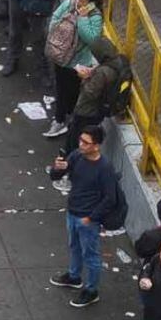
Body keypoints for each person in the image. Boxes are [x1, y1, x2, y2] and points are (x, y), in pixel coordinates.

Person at [46, 124, 119, 307]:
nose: (81, 144)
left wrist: (92, 217)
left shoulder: (105, 168)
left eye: (86, 142)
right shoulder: (77, 156)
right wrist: (58, 168)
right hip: (73, 211)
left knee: (91, 255)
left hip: (87, 218)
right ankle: (74, 276)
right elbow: (56, 176)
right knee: (74, 246)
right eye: (81, 140)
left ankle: (91, 290)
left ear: (96, 145)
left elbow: (110, 198)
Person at [44, 0, 106, 138]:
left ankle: (69, 119)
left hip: (77, 61)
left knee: (72, 92)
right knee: (61, 89)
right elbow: (55, 18)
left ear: (92, 3)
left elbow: (91, 39)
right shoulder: (70, 4)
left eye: (83, 1)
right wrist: (60, 37)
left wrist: (82, 19)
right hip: (61, 55)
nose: (79, 2)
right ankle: (59, 120)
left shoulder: (95, 16)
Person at [68, 35, 129, 151]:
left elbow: (90, 93)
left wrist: (84, 78)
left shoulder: (102, 73)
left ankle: (69, 164)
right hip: (98, 111)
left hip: (87, 112)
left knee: (74, 142)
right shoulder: (118, 63)